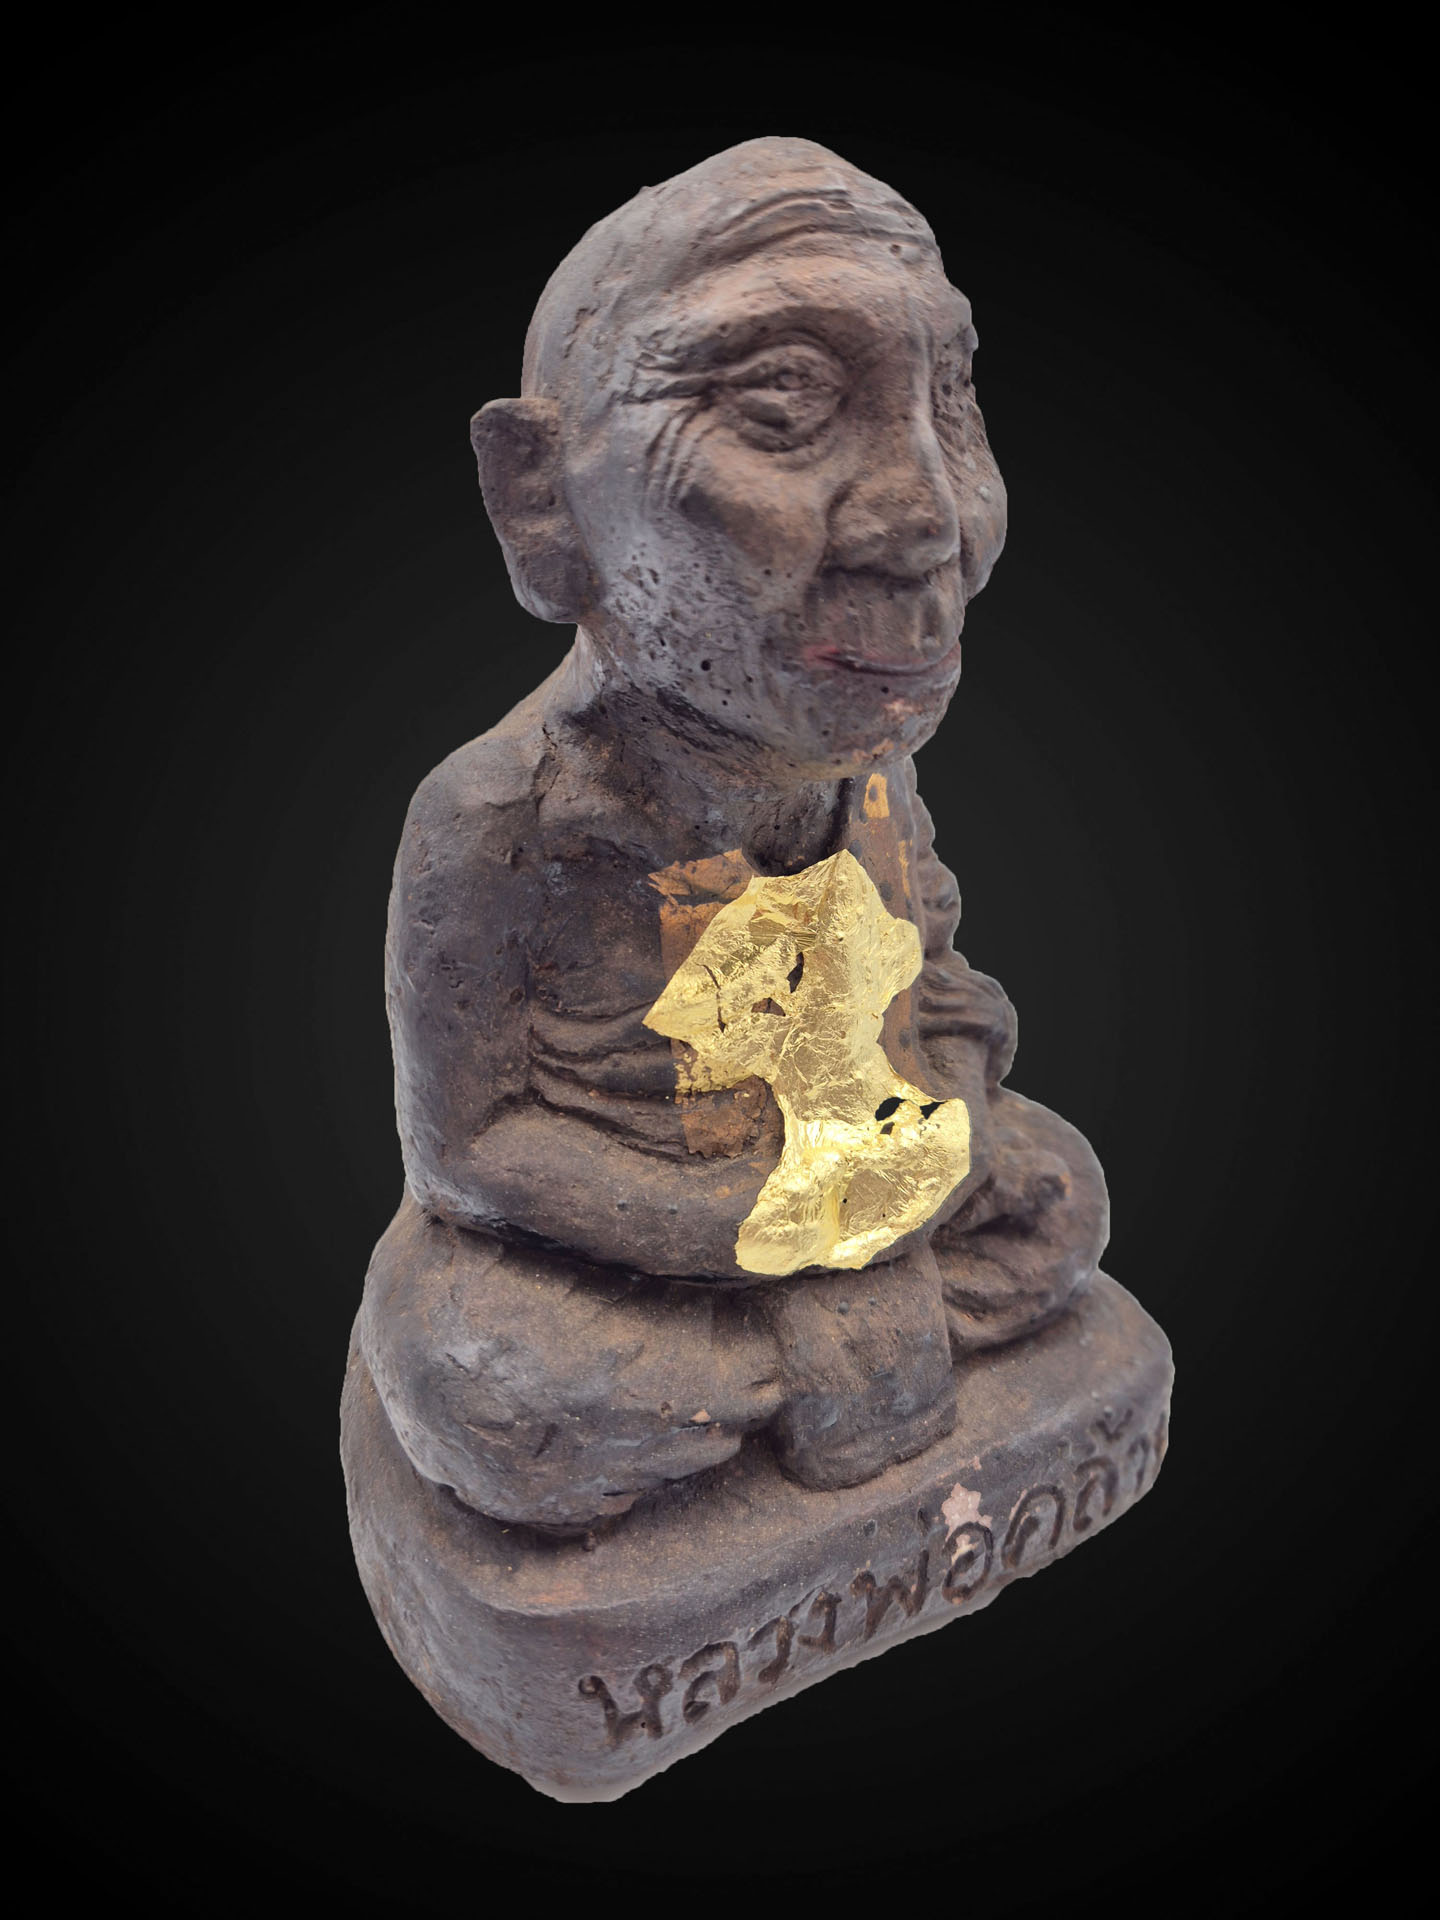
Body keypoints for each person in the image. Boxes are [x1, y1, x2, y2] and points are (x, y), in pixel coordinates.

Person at [358, 137, 1107, 1535]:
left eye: (949, 397)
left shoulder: (869, 778)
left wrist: (935, 1122)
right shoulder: (504, 816)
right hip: (636, 1250)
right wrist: (758, 1229)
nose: (930, 520)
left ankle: (802, 1365)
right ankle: (810, 1358)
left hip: (856, 1182)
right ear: (539, 498)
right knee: (494, 1388)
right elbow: (472, 1149)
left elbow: (935, 981)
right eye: (783, 400)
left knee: (1059, 1197)